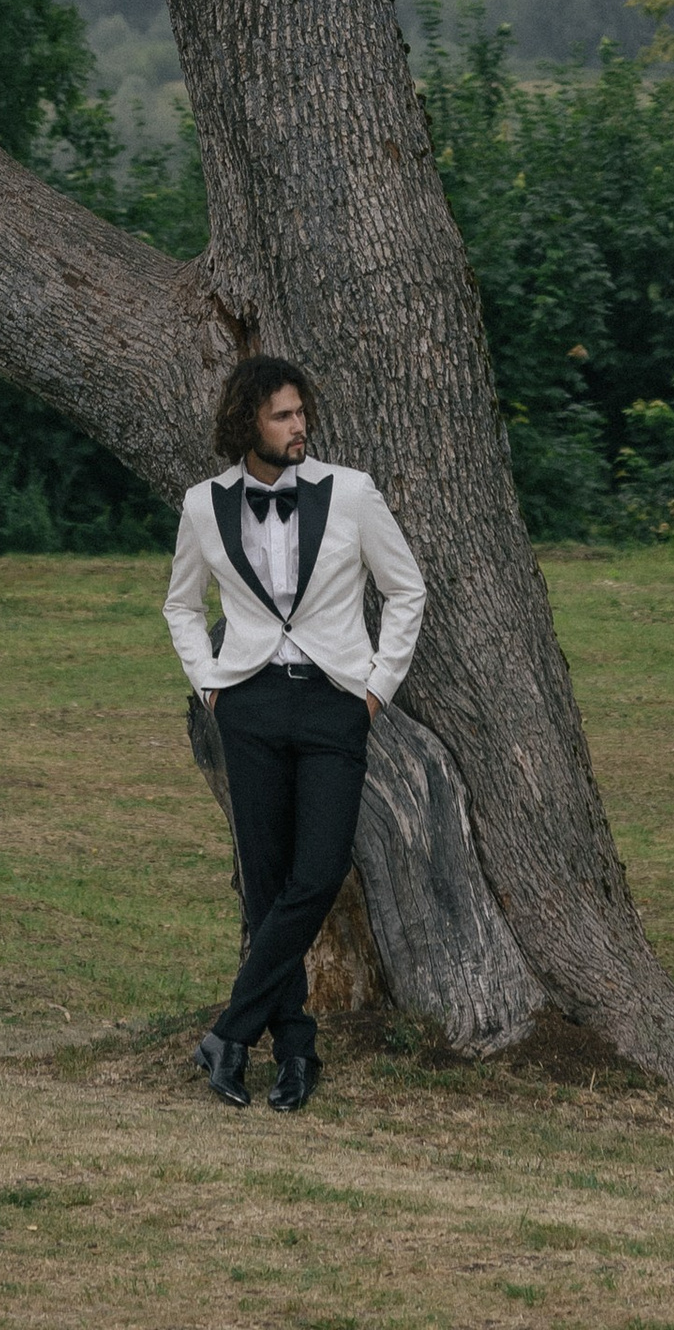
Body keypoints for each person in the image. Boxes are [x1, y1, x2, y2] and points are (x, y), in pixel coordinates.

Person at [163, 351, 427, 1113]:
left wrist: (375, 690)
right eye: (282, 415)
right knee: (266, 889)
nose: (298, 425)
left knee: (318, 873)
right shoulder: (202, 506)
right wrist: (210, 684)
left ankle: (229, 1033)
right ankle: (296, 1054)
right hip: (246, 704)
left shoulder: (350, 494)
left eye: (301, 412)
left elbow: (405, 589)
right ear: (248, 422)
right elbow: (182, 604)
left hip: (332, 704)